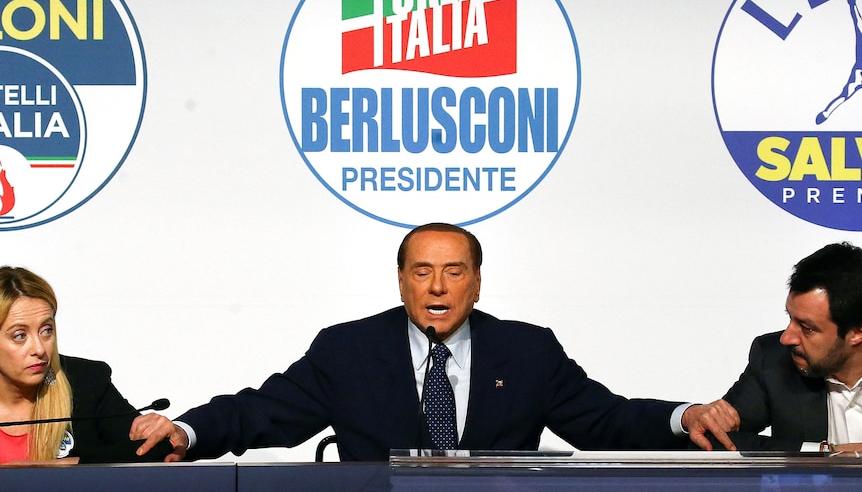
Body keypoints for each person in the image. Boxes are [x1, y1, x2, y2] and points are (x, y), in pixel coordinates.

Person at [131, 222, 735, 461]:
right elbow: (262, 411)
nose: (437, 287)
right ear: (401, 281)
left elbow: (605, 419)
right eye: (422, 271)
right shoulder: (349, 351)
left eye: (454, 272)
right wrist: (186, 429)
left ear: (476, 282)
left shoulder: (527, 351)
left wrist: (685, 417)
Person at [0, 266, 171, 464]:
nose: (39, 349)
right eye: (20, 336)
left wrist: (61, 465)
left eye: (46, 330)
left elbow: (152, 449)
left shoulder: (85, 382)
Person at [718, 242, 862, 451]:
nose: (786, 338)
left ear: (857, 332)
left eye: (807, 328)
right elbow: (713, 441)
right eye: (790, 317)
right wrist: (823, 453)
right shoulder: (774, 361)